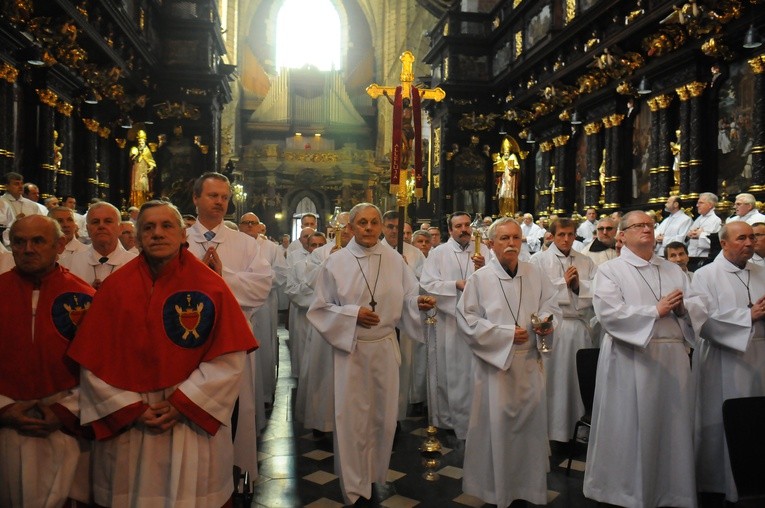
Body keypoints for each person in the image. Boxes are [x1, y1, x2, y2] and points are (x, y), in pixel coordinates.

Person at [68, 201, 257, 507]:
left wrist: (183, 404)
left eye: (166, 226)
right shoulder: (115, 288)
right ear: (139, 238)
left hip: (189, 423)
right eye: (148, 227)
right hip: (132, 423)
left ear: (184, 235)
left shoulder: (212, 287)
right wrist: (130, 408)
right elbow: (93, 360)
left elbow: (229, 359)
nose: (157, 234)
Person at [307, 203, 435, 504]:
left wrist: (420, 303)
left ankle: (376, 475)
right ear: (351, 227)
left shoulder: (394, 259)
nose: (368, 228)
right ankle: (354, 487)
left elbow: (408, 296)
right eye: (362, 222)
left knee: (383, 416)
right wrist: (352, 315)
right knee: (352, 418)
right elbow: (319, 309)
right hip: (352, 348)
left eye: (374, 222)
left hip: (385, 346)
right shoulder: (335, 263)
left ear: (380, 226)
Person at [583, 211, 697, 508]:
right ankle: (625, 492)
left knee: (672, 428)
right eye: (638, 226)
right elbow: (609, 314)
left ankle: (673, 492)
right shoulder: (611, 270)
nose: (646, 229)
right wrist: (654, 311)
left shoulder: (674, 270)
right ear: (622, 235)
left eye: (649, 225)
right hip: (632, 357)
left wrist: (684, 311)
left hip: (672, 357)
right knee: (631, 427)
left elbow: (697, 310)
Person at [457, 217, 559, 507]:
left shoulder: (535, 273)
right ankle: (496, 491)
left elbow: (551, 306)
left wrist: (546, 324)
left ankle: (528, 488)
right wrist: (502, 334)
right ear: (491, 244)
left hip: (528, 363)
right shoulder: (479, 279)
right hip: (496, 368)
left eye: (516, 238)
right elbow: (468, 321)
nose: (512, 243)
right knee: (496, 430)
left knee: (529, 432)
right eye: (504, 239)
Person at [0, 215, 95, 507]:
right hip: (6, 427)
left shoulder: (85, 297)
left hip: (65, 428)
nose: (27, 249)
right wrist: (4, 408)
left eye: (38, 241)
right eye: (19, 241)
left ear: (60, 245)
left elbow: (99, 371)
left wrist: (66, 411)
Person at [185, 172, 272, 477]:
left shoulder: (245, 244)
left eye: (224, 197)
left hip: (231, 341)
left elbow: (261, 288)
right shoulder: (179, 241)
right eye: (212, 196)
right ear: (196, 198)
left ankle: (235, 474)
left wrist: (224, 278)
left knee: (235, 410)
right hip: (186, 341)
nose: (220, 202)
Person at [688, 221, 765, 503]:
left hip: (760, 357)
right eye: (742, 238)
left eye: (752, 237)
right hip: (724, 358)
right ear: (724, 243)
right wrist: (748, 316)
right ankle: (721, 482)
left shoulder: (762, 271)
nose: (749, 243)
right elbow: (703, 322)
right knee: (725, 420)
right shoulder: (705, 275)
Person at [420, 211, 489, 438]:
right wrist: (455, 285)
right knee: (449, 371)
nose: (464, 229)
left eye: (467, 225)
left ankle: (475, 416)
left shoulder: (483, 251)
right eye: (458, 226)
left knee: (472, 371)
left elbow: (495, 280)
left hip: (476, 323)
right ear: (450, 230)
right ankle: (447, 419)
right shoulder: (438, 253)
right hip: (448, 322)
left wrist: (485, 266)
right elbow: (428, 283)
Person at [529, 218, 597, 443]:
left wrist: (578, 286)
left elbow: (597, 290)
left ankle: (578, 429)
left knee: (577, 381)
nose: (566, 239)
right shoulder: (538, 260)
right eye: (561, 235)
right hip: (552, 329)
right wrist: (563, 283)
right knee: (553, 380)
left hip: (578, 327)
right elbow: (534, 292)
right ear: (552, 236)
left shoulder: (585, 261)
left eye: (570, 234)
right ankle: (551, 429)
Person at [60, 202, 137, 288]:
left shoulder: (136, 264)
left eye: (108, 221)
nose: (101, 226)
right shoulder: (69, 264)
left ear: (120, 228)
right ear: (88, 230)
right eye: (95, 222)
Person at [687, 192, 722, 270]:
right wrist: (690, 234)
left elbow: (715, 241)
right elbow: (691, 232)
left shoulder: (716, 219)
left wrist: (700, 234)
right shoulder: (699, 218)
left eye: (701, 203)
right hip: (692, 256)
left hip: (706, 258)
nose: (697, 205)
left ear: (710, 205)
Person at [129, 129, 157, 207]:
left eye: (142, 141)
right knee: (136, 188)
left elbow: (151, 161)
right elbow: (131, 159)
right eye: (140, 141)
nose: (141, 142)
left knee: (144, 190)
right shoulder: (134, 149)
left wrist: (151, 167)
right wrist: (135, 155)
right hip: (136, 173)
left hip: (144, 173)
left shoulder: (146, 150)